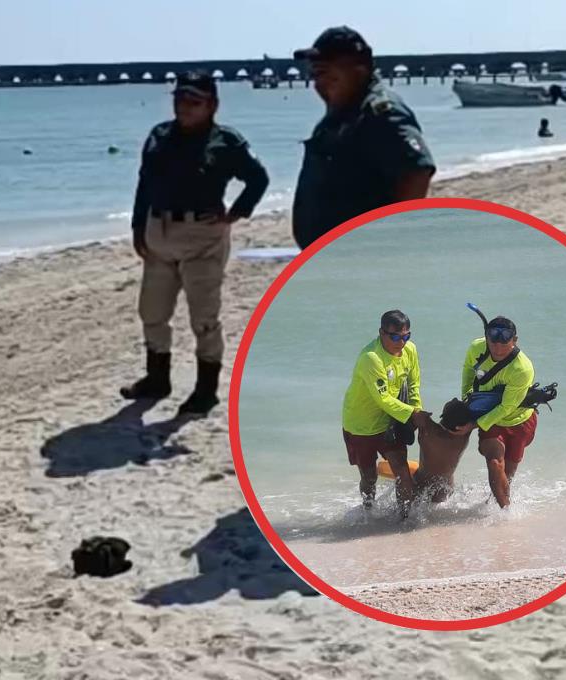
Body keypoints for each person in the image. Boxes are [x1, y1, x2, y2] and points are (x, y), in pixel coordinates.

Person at [122, 71, 269, 416]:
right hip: (158, 233)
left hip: (202, 237)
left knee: (204, 317)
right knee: (152, 312)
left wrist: (237, 213)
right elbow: (144, 184)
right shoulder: (159, 135)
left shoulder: (225, 142)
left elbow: (258, 178)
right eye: (179, 99)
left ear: (212, 105)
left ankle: (206, 391)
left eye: (193, 101)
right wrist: (137, 226)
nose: (183, 107)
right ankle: (157, 379)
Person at [291, 26, 436, 250]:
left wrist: (389, 241)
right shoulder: (342, 114)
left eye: (324, 73)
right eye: (314, 75)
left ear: (358, 69)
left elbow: (416, 172)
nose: (318, 84)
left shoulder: (380, 113)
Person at [341, 310, 430, 510]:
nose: (401, 342)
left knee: (402, 471)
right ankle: (368, 511)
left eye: (406, 336)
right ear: (381, 333)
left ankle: (405, 520)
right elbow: (383, 399)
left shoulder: (410, 350)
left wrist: (417, 410)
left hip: (390, 422)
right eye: (395, 337)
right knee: (369, 477)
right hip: (361, 426)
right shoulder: (371, 358)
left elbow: (414, 384)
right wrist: (412, 414)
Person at [449, 316, 537, 508]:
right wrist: (467, 402)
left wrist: (473, 425)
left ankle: (499, 506)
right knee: (495, 463)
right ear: (486, 338)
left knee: (509, 472)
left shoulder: (522, 369)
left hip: (518, 418)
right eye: (493, 340)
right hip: (492, 419)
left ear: (515, 340)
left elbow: (507, 407)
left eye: (505, 340)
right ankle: (505, 513)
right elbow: (468, 371)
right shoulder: (476, 348)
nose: (498, 347)